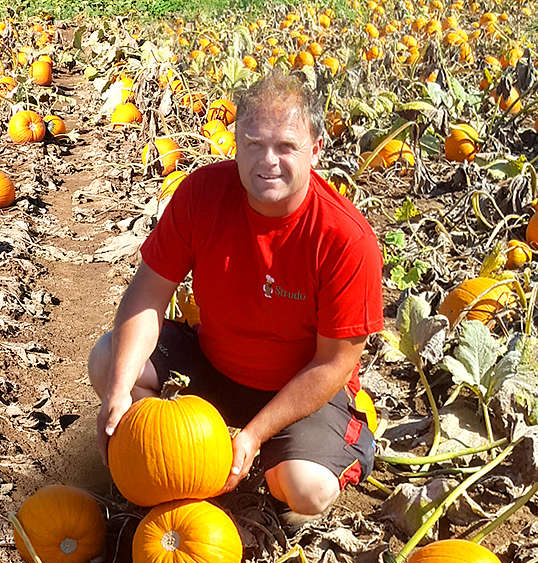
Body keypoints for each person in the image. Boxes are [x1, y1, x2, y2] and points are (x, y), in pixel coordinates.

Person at [88, 70, 383, 523]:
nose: (268, 161)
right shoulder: (201, 195)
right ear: (236, 142)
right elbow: (147, 293)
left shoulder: (345, 238)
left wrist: (254, 435)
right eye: (254, 144)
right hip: (214, 366)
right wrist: (118, 393)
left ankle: (288, 452)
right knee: (110, 358)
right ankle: (171, 467)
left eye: (286, 146)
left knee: (308, 490)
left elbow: (334, 363)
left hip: (297, 388)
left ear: (316, 148)